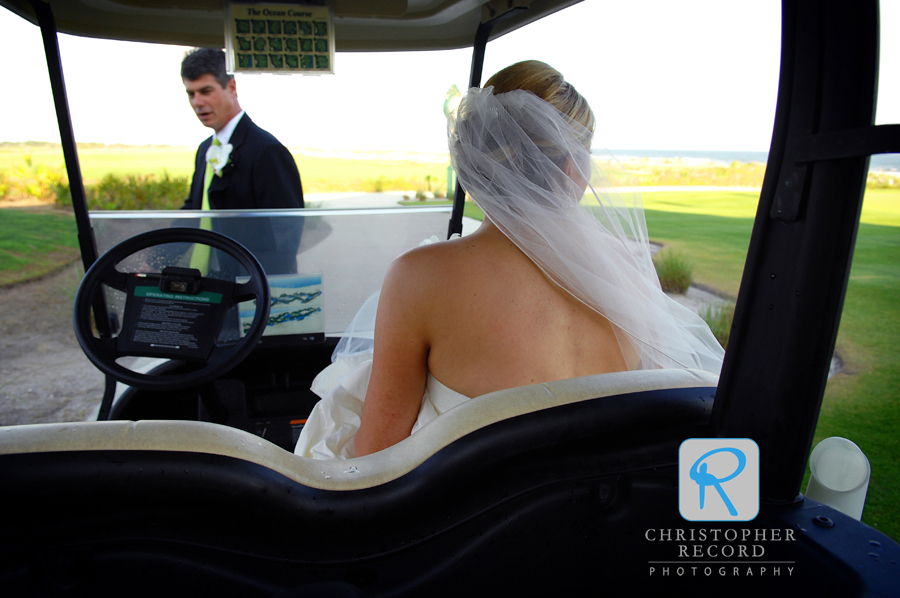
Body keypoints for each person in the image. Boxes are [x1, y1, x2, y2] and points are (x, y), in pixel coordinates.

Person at [295, 60, 724, 460]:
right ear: (575, 170)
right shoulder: (626, 272)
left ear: (475, 163)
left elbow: (376, 458)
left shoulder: (420, 277)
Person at [181, 47, 304, 275]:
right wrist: (154, 258)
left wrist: (259, 292)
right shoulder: (205, 149)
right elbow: (193, 211)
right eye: (191, 93)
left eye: (206, 91)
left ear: (232, 87)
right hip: (210, 283)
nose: (197, 102)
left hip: (251, 287)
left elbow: (286, 235)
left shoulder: (267, 150)